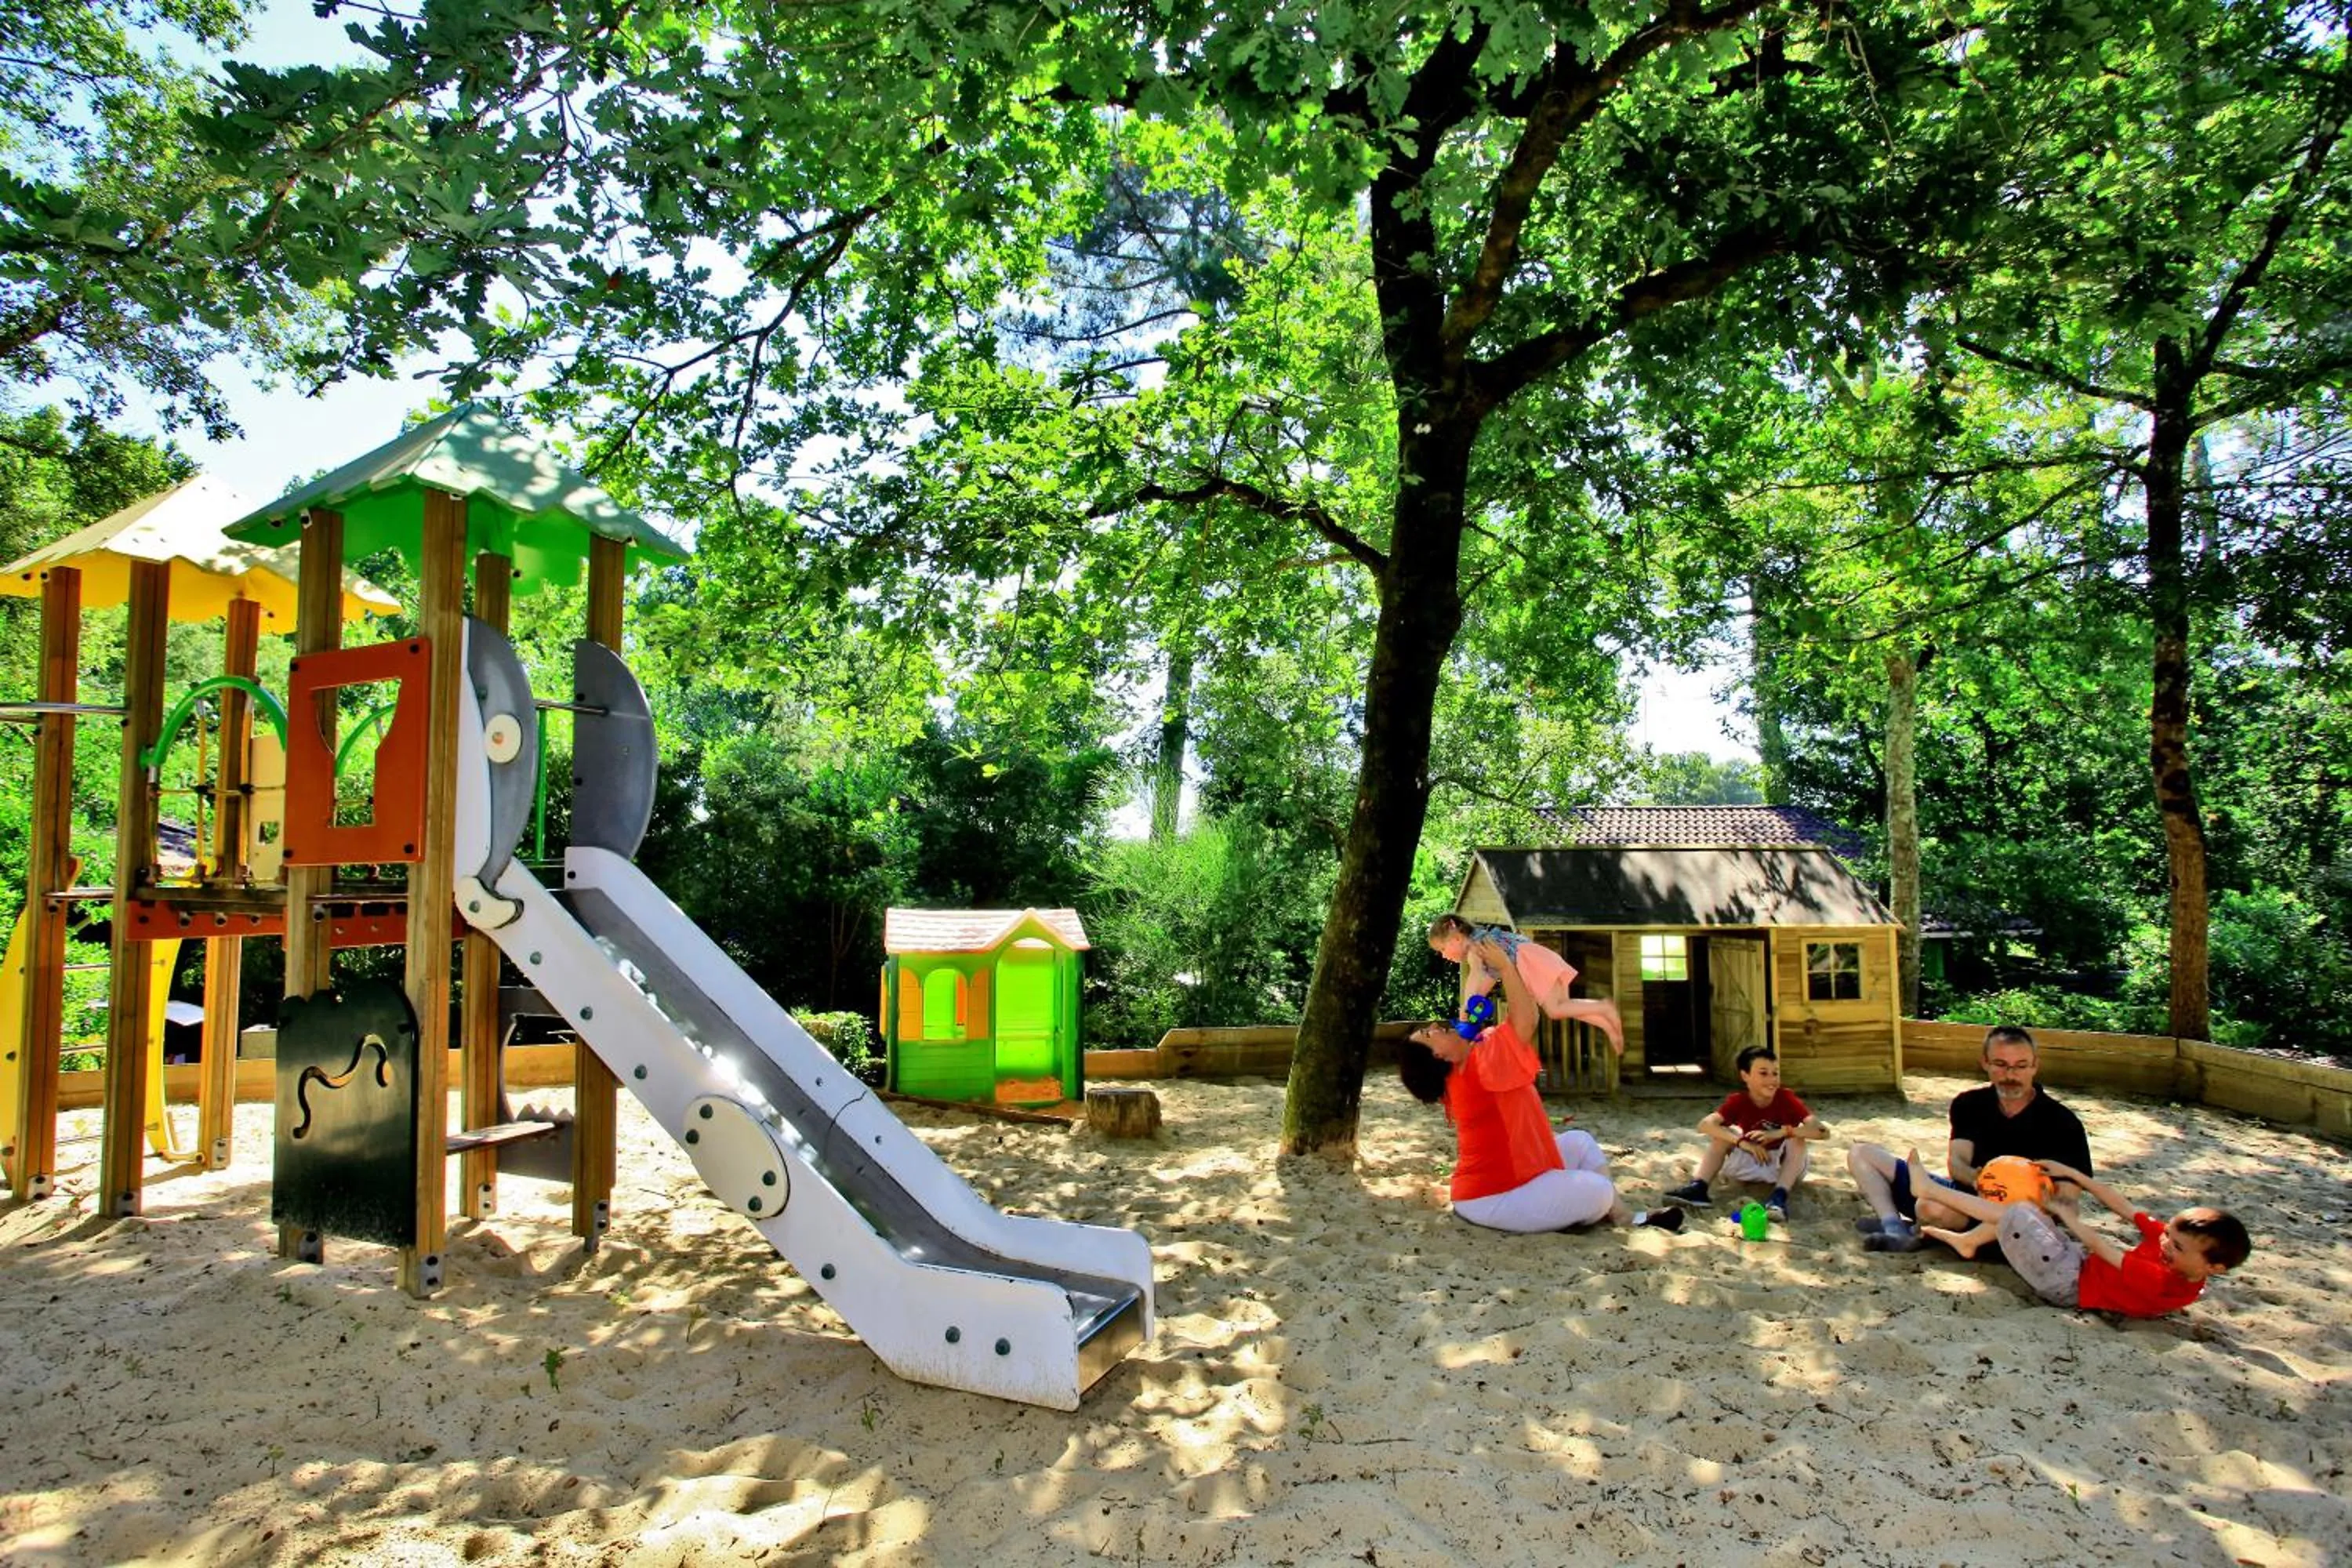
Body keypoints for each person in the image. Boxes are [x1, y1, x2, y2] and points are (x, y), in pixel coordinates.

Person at [1399, 932, 1682, 1234]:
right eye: (1428, 1035)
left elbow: (1477, 1019)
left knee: (1580, 1142)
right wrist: (1506, 968)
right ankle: (1623, 1217)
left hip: (1514, 1175)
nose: (1433, 1027)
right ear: (1440, 1056)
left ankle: (1602, 1212)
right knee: (1599, 1189)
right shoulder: (1476, 1065)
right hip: (1494, 1196)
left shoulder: (1473, 1055)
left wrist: (1483, 984)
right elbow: (1526, 1021)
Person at [1905, 1151, 2250, 1318]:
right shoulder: (2176, 1255)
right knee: (2026, 1213)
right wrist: (2074, 1175)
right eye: (2167, 1235)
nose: (2164, 1242)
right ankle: (1969, 1241)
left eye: (2175, 1246)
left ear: (2213, 1267)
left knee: (2020, 1212)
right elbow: (2123, 1206)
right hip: (2079, 1262)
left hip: (2068, 1285)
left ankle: (1930, 1190)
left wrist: (2065, 1216)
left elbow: (2099, 1246)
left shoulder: (2164, 1279)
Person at [1849, 1025, 2094, 1253]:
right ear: (1985, 1063)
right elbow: (1956, 1163)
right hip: (1964, 1198)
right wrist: (1976, 1179)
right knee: (1861, 1154)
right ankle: (1894, 1226)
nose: (2011, 1075)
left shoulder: (2064, 1123)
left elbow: (2068, 1201)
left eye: (2020, 1065)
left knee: (1929, 1207)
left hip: (2017, 1221)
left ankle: (1924, 1230)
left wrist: (2033, 1204)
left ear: (2035, 1066)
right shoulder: (1969, 1104)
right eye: (2000, 1064)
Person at [1664, 1044, 1826, 1223]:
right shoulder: (1739, 1101)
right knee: (1722, 1134)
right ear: (1745, 1076)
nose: (1772, 1080)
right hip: (1753, 1157)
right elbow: (1705, 1125)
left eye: (1775, 1073)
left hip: (1784, 1165)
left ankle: (1778, 1198)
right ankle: (1699, 1188)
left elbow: (1821, 1131)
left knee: (1797, 1138)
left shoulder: (1786, 1098)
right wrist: (1742, 1142)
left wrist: (1780, 1133)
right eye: (1763, 1073)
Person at [1428, 913, 1624, 1055]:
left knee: (1557, 1009)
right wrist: (1472, 1008)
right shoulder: (1484, 946)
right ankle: (1607, 1024)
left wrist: (1466, 1005)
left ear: (1456, 937)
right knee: (1562, 1008)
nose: (1444, 955)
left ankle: (1605, 1006)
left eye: (1443, 948)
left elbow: (1476, 975)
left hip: (1530, 962)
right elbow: (1486, 982)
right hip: (1532, 962)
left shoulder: (1475, 948)